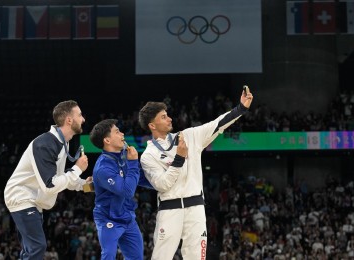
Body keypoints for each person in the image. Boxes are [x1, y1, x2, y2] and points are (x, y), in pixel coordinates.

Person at [138, 87, 254, 259]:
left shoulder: (190, 136)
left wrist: (241, 108)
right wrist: (179, 158)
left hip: (196, 208)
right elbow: (162, 184)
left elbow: (217, 125)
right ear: (152, 125)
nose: (170, 118)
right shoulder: (148, 156)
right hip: (170, 210)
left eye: (167, 114)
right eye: (163, 117)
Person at [4, 100, 92, 260]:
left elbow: (62, 179)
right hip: (22, 197)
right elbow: (50, 185)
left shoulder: (60, 143)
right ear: (69, 120)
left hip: (32, 200)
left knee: (30, 251)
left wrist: (86, 186)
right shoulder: (45, 144)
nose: (83, 119)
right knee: (37, 247)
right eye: (79, 115)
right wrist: (77, 168)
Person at [89, 118, 151, 260]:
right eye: (117, 132)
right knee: (108, 256)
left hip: (128, 217)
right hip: (108, 218)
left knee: (136, 258)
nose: (122, 134)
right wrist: (134, 162)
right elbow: (127, 191)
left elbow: (139, 178)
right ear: (107, 141)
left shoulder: (123, 155)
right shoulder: (103, 168)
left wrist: (162, 185)